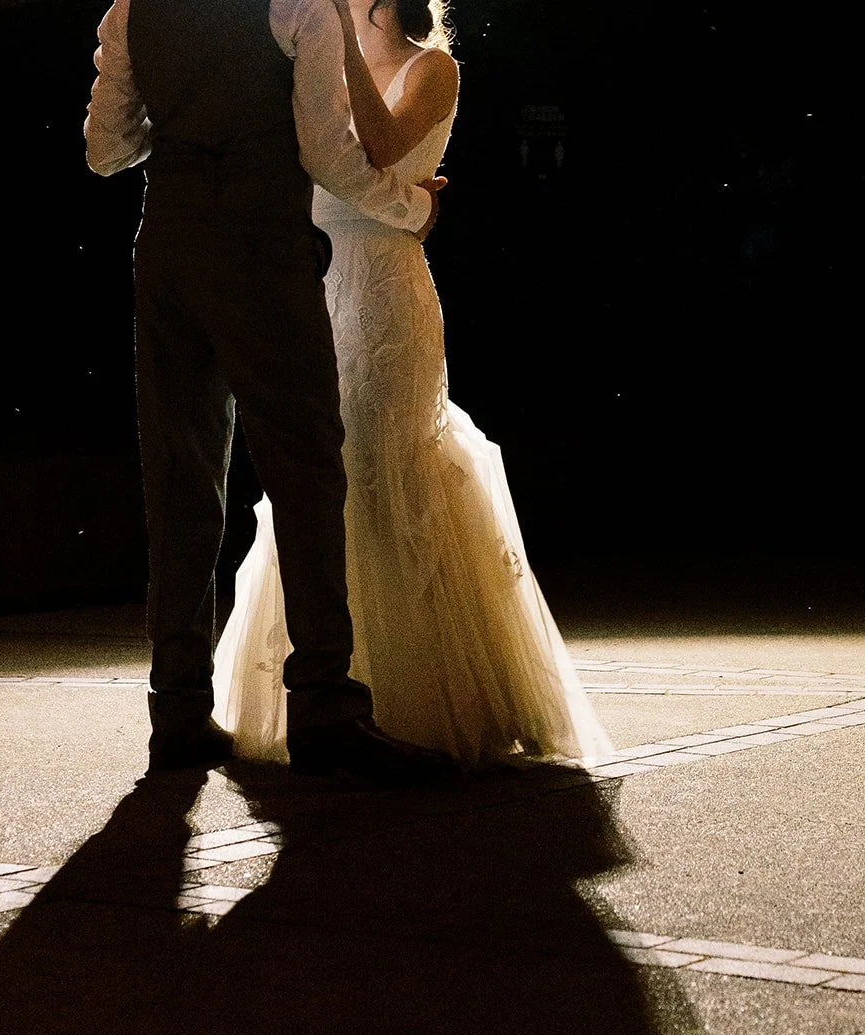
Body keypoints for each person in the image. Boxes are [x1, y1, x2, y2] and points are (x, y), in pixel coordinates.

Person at [213, 0, 612, 769]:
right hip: (319, 279)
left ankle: (416, 697)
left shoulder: (434, 67)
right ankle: (326, 687)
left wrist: (342, 57)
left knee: (386, 462)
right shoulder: (312, 56)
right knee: (322, 473)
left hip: (387, 282)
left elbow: (385, 147)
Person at [83, 0, 450, 778]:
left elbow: (104, 152)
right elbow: (329, 155)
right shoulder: (295, 4)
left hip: (169, 253)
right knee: (307, 467)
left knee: (180, 480)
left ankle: (177, 709)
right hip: (259, 247)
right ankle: (325, 707)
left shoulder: (132, 10)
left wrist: (184, 147)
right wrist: (414, 207)